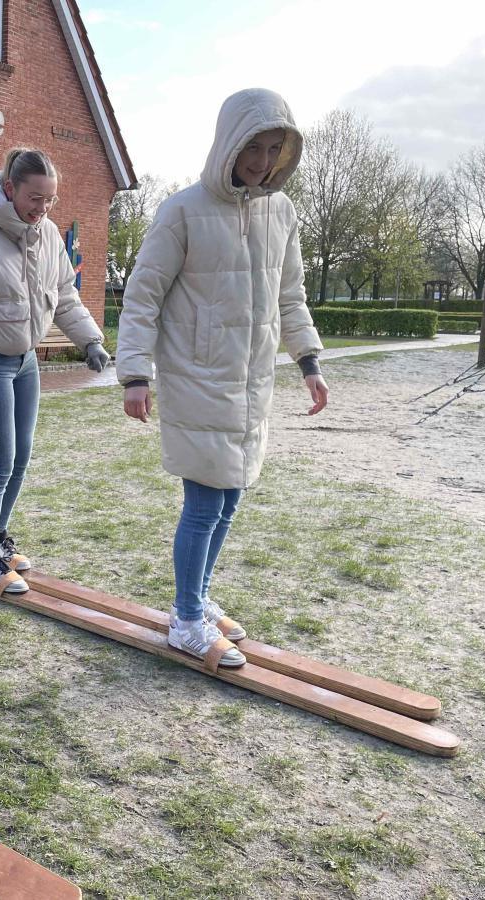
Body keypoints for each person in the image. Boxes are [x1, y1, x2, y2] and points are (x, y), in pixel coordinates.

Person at [116, 88, 329, 669]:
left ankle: (200, 600)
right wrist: (134, 373)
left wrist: (308, 362)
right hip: (196, 376)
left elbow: (291, 297)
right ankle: (186, 619)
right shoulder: (181, 210)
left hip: (251, 381)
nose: (261, 161)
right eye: (252, 146)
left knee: (230, 498)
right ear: (228, 143)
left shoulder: (281, 213)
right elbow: (142, 296)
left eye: (272, 149)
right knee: (205, 500)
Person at [0, 148, 110, 596]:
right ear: (10, 189)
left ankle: (1, 540)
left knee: (22, 459)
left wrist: (90, 341)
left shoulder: (47, 235)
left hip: (27, 363)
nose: (43, 209)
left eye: (50, 200)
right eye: (35, 198)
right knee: (0, 463)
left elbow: (64, 296)